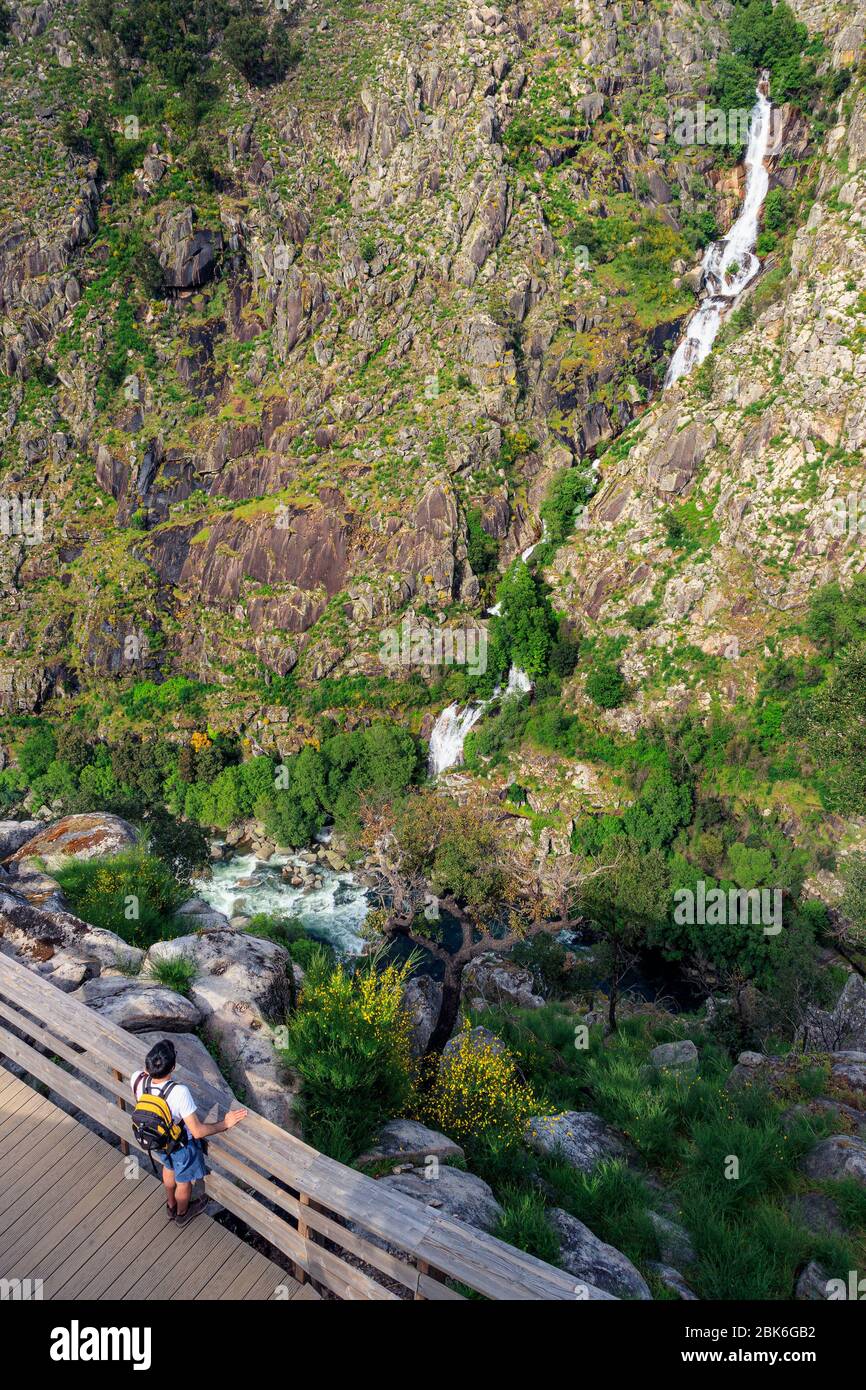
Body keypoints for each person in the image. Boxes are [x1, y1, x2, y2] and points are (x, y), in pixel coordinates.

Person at [131, 1038, 247, 1225]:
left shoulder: (136, 1078)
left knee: (168, 1167)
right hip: (180, 1144)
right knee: (183, 1180)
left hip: (156, 1139)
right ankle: (182, 1213)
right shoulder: (179, 1092)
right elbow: (198, 1131)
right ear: (173, 1067)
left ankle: (170, 1206)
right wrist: (225, 1123)